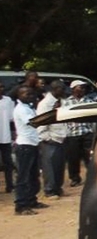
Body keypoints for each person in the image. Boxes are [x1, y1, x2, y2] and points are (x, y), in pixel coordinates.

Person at [13, 87, 47, 215]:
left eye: (32, 93)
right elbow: (33, 123)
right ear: (19, 95)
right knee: (23, 177)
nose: (30, 95)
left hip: (32, 144)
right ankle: (20, 205)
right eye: (26, 94)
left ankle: (32, 200)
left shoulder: (29, 107)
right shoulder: (21, 109)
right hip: (24, 146)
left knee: (33, 175)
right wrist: (50, 117)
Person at [37, 80, 68, 199]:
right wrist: (46, 137)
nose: (64, 91)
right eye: (61, 88)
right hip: (50, 138)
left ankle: (57, 188)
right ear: (54, 89)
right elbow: (41, 121)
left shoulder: (62, 102)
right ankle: (49, 190)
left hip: (62, 137)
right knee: (49, 166)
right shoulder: (45, 104)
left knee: (59, 166)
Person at [62, 81, 96, 187]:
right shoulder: (66, 103)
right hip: (73, 134)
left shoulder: (89, 101)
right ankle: (75, 178)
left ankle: (92, 177)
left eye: (83, 88)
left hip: (87, 132)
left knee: (90, 157)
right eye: (80, 88)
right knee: (73, 158)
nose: (82, 90)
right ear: (73, 89)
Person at [0, 82, 14, 192]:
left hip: (5, 136)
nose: (1, 88)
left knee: (8, 163)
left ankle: (10, 185)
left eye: (2, 86)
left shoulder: (8, 100)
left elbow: (11, 118)